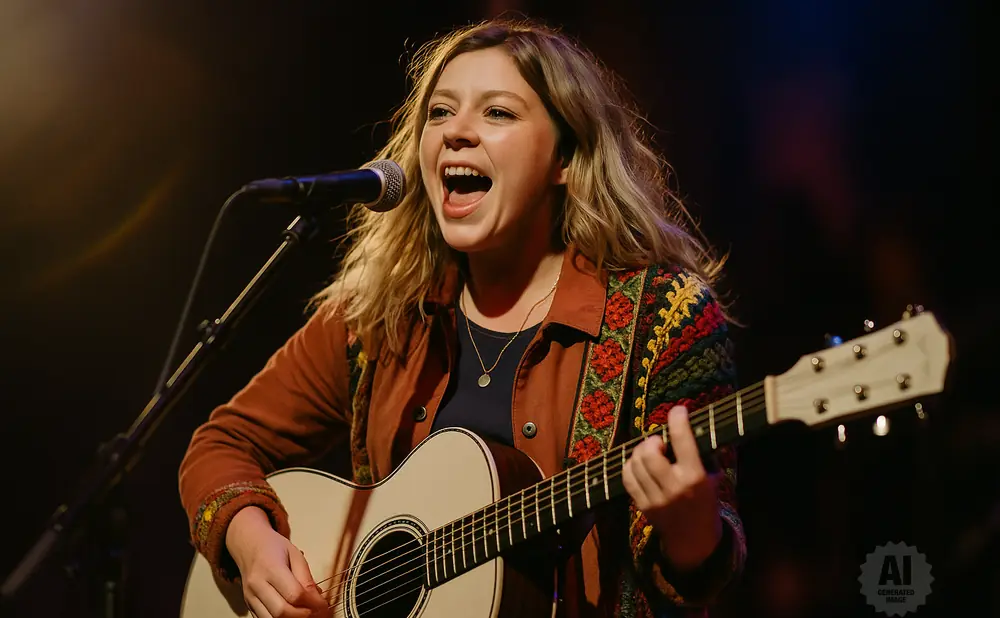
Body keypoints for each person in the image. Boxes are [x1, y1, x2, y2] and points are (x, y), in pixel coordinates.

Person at [178, 16, 745, 618]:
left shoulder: (665, 316)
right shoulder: (381, 314)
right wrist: (252, 541)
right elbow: (219, 444)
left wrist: (690, 530)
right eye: (440, 112)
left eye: (497, 113)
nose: (455, 133)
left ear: (566, 156)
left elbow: (701, 571)